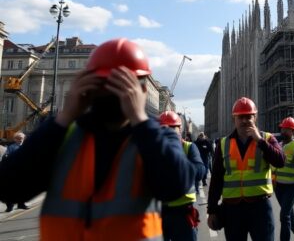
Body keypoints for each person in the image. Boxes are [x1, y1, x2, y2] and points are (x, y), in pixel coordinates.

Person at [0, 38, 196, 240]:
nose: (112, 92)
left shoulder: (157, 136)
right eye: (105, 84)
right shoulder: (63, 135)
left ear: (141, 92)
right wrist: (64, 117)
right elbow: (9, 189)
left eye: (122, 85)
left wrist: (140, 119)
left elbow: (177, 186)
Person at [207, 97, 285, 241]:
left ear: (255, 117)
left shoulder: (267, 138)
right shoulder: (223, 144)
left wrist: (260, 141)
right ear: (234, 119)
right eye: (240, 117)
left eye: (248, 116)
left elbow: (280, 161)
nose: (244, 121)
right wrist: (211, 210)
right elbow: (216, 179)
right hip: (232, 210)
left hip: (260, 208)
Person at [159, 111, 206, 241]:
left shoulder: (189, 148)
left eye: (172, 127)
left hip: (183, 213)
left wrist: (180, 166)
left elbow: (200, 170)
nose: (168, 131)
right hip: (160, 213)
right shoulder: (153, 150)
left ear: (180, 129)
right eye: (164, 128)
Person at [2, 132, 28, 212]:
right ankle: (10, 206)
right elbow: (6, 157)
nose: (20, 140)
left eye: (21, 138)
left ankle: (21, 204)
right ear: (15, 139)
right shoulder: (11, 147)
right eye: (18, 138)